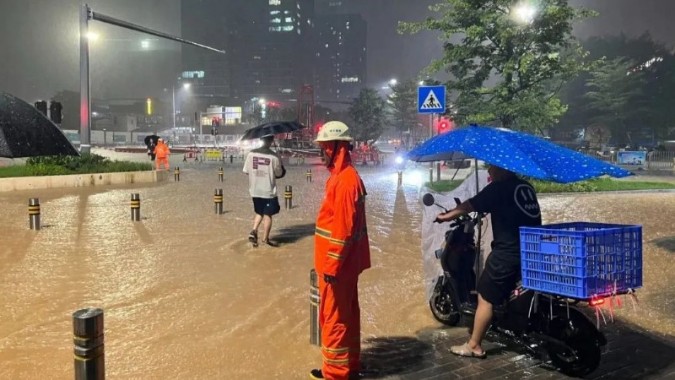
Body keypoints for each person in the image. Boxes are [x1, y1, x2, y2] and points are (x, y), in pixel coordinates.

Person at [434, 164, 541, 359]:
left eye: (492, 167)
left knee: (485, 295)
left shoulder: (498, 188)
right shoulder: (526, 187)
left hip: (507, 252)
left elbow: (469, 205)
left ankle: (474, 345)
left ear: (503, 168)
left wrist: (445, 216)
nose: (489, 171)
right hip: (531, 248)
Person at [310, 121, 371, 380]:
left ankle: (335, 373)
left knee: (334, 318)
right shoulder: (342, 177)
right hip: (344, 265)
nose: (321, 153)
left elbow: (343, 230)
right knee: (347, 315)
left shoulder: (346, 182)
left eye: (324, 148)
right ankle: (350, 365)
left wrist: (331, 266)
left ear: (338, 148)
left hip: (337, 267)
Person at [242, 134, 286, 247]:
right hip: (268, 191)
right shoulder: (274, 156)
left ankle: (254, 230)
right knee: (268, 214)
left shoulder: (251, 153)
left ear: (261, 139)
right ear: (271, 141)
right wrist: (281, 165)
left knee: (259, 211)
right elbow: (279, 173)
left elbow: (246, 171)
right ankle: (265, 239)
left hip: (255, 190)